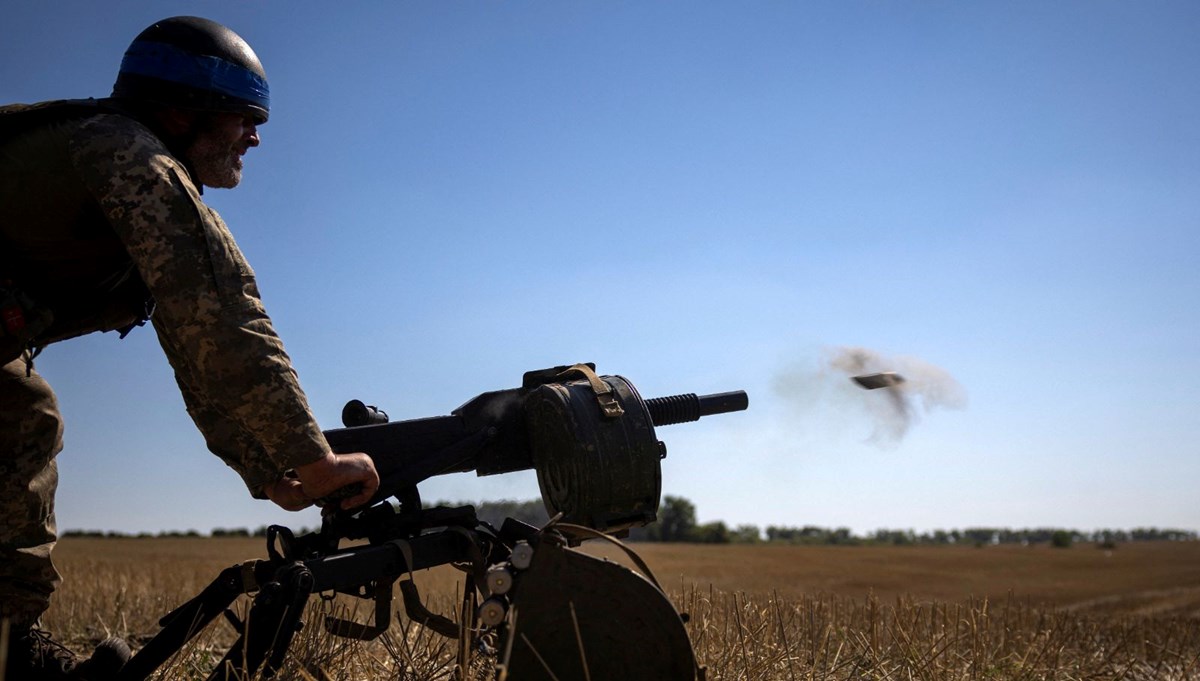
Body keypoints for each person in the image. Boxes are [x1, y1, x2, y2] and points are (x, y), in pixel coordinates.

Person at [0, 16, 380, 679]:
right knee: (23, 419)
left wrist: (264, 467)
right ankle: (12, 652)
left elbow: (192, 339)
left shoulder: (118, 161)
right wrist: (310, 459)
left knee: (18, 414)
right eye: (242, 117)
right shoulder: (131, 156)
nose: (255, 137)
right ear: (184, 112)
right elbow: (223, 315)